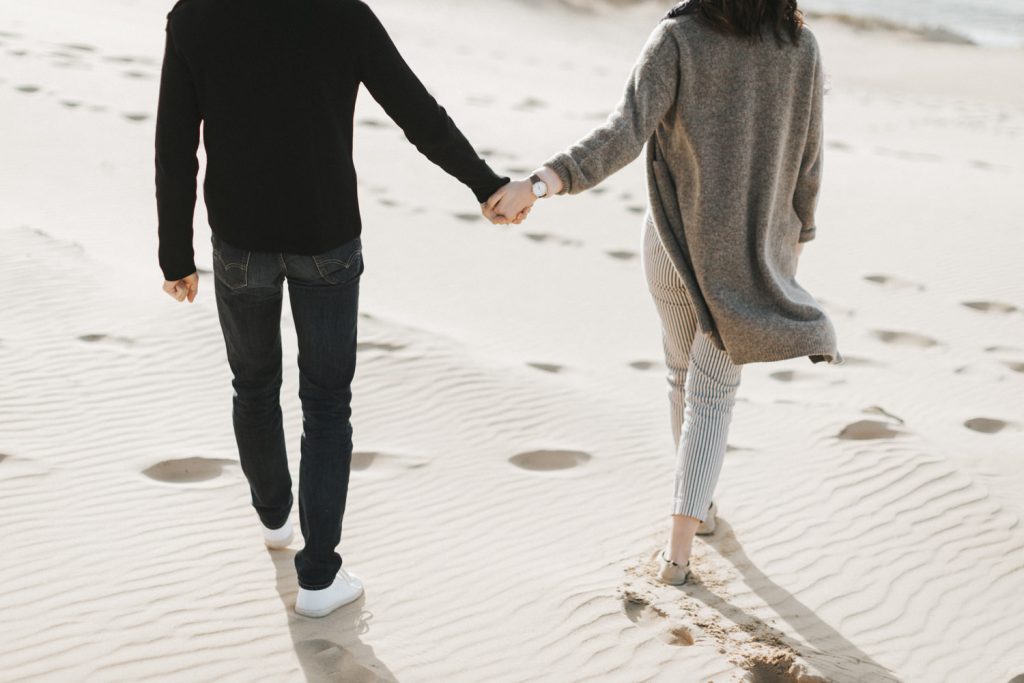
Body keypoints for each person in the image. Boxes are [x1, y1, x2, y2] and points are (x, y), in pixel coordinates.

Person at [155, 0, 519, 618]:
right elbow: (416, 113)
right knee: (327, 403)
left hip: (240, 241)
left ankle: (274, 518)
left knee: (253, 384)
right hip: (326, 239)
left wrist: (175, 255)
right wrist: (485, 184)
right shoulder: (341, 13)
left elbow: (174, 142)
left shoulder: (195, 15)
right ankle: (319, 576)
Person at [484, 0, 842, 585]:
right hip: (753, 253)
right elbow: (809, 161)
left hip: (672, 239)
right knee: (715, 391)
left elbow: (622, 133)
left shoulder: (678, 37)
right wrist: (797, 237)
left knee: (683, 376)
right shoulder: (801, 48)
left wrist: (540, 183)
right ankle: (681, 545)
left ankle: (693, 523)